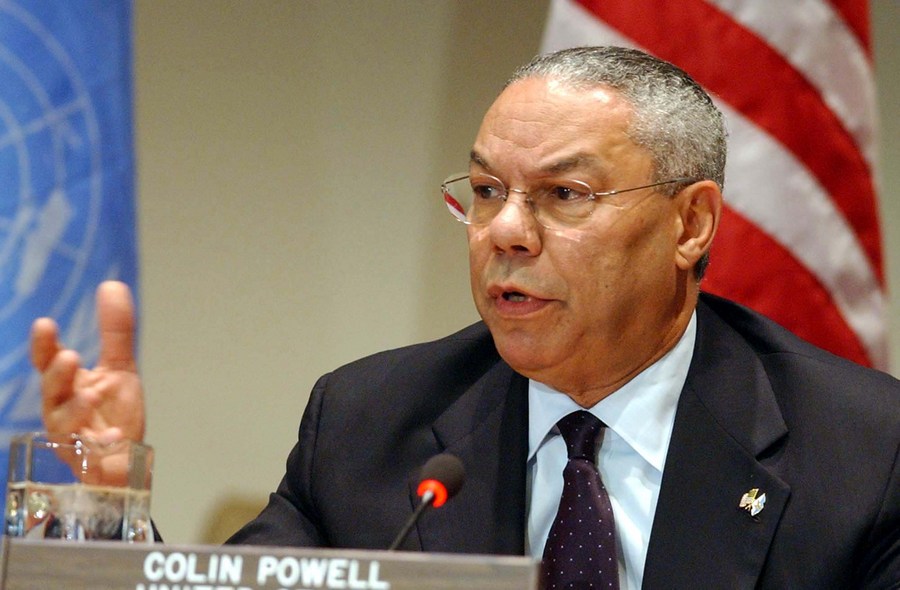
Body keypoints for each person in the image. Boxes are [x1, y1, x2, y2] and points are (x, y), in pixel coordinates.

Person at [31, 47, 900, 589]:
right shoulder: (371, 423)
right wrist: (104, 507)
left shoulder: (864, 454)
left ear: (691, 224)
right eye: (486, 191)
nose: (505, 232)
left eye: (564, 194)